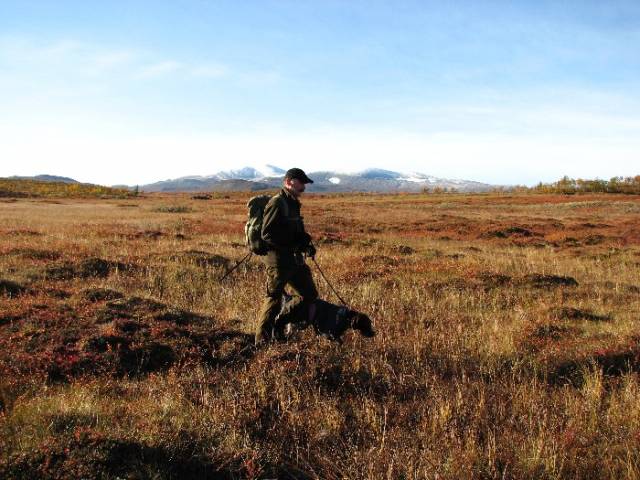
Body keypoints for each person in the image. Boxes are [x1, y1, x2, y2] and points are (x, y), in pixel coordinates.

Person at [255, 168, 318, 345]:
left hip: (294, 259)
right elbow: (267, 234)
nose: (304, 186)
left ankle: (280, 323)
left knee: (309, 295)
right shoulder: (277, 203)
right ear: (289, 181)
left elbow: (293, 231)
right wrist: (295, 242)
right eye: (301, 182)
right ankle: (261, 341)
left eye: (305, 183)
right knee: (273, 299)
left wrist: (305, 244)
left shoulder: (293, 203)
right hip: (278, 261)